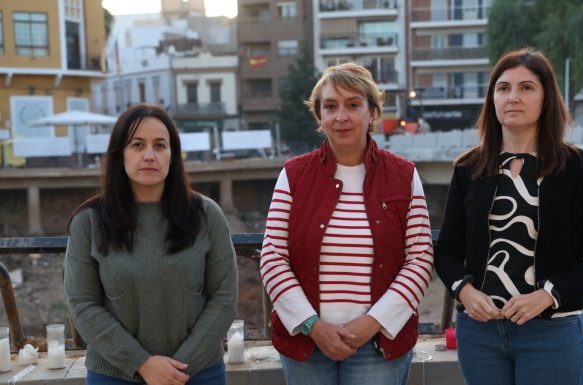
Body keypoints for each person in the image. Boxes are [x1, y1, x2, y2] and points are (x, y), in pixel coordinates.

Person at [434, 48, 583, 385]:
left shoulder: (579, 168)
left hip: (552, 331)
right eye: (503, 88)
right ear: (492, 99)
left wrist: (547, 294)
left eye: (527, 88)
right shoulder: (469, 169)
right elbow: (446, 251)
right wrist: (464, 291)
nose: (513, 97)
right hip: (479, 335)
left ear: (547, 98)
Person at [260, 63, 433, 385]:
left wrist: (373, 321)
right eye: (330, 107)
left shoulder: (404, 176)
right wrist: (313, 325)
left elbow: (420, 259)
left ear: (372, 113)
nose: (341, 116)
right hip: (307, 342)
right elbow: (272, 257)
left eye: (353, 105)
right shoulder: (294, 176)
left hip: (378, 343)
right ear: (319, 116)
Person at [64, 104, 238, 385]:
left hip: (197, 374)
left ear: (173, 155)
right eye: (137, 145)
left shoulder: (207, 215)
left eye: (160, 145)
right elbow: (82, 304)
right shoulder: (88, 222)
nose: (149, 155)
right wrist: (141, 363)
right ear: (120, 154)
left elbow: (224, 298)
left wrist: (177, 369)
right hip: (114, 374)